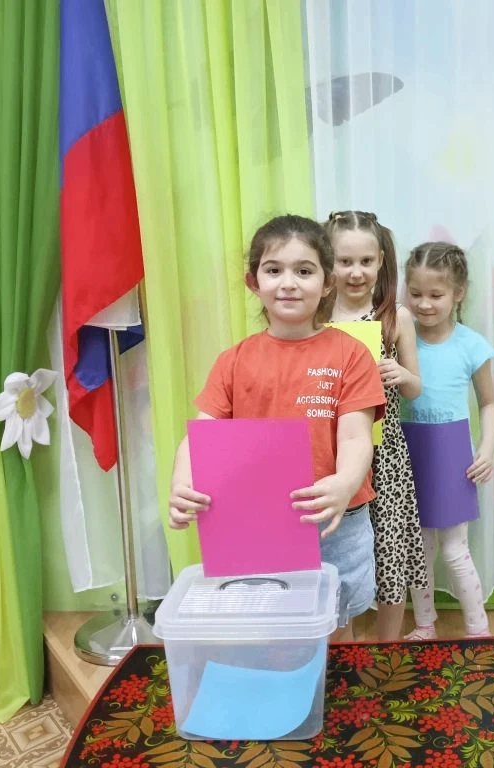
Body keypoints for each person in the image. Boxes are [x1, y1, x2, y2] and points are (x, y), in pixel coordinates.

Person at [168, 214, 386, 641]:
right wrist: (182, 484)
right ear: (254, 282)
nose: (288, 283)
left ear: (327, 283)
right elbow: (200, 437)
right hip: (260, 521)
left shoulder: (351, 354)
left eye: (304, 271)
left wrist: (344, 484)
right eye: (274, 270)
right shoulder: (234, 361)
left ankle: (333, 684)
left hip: (336, 521)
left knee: (338, 625)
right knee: (271, 626)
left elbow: (356, 436)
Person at [325, 210, 427, 641]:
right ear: (327, 261)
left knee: (390, 553)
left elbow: (416, 387)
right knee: (337, 556)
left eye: (366, 261)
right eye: (344, 261)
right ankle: (343, 647)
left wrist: (401, 375)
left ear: (381, 261)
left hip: (385, 457)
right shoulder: (316, 315)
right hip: (332, 454)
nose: (356, 272)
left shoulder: (395, 317)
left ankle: (388, 649)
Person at [401, 241, 494, 639]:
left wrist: (486, 450)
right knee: (418, 550)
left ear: (458, 293)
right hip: (408, 450)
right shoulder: (400, 340)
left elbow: (490, 403)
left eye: (435, 295)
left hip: (452, 453)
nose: (424, 304)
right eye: (416, 293)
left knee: (455, 550)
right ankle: (425, 625)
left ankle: (479, 630)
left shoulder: (471, 345)